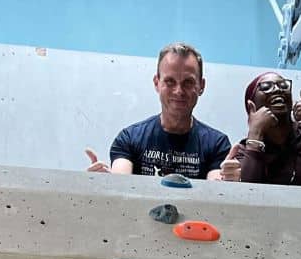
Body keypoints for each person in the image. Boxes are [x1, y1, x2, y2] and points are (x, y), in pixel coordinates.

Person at [85, 42, 231, 180]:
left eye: (188, 82)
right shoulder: (129, 139)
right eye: (170, 81)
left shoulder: (217, 144)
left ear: (201, 86)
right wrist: (102, 183)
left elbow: (216, 189)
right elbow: (120, 183)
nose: (178, 91)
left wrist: (228, 183)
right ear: (157, 83)